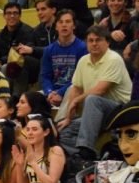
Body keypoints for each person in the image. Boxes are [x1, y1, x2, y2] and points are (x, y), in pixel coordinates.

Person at [56, 26, 132, 165]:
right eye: (90, 40)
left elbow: (100, 90)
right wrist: (68, 117)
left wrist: (76, 101)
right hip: (94, 114)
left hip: (120, 111)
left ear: (107, 42)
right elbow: (76, 89)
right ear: (86, 43)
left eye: (98, 40)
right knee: (63, 132)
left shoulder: (114, 58)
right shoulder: (83, 60)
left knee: (93, 99)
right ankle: (93, 160)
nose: (94, 43)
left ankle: (86, 150)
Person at [40, 9, 88, 109]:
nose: (64, 25)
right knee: (31, 99)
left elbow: (79, 79)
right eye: (60, 22)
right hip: (53, 92)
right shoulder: (49, 50)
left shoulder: (82, 48)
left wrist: (61, 93)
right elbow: (45, 76)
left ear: (74, 26)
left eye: (68, 21)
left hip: (74, 90)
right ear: (56, 26)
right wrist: (49, 92)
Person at [0, 3, 35, 96]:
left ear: (20, 15)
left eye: (15, 13)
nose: (12, 16)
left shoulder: (27, 31)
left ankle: (9, 99)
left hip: (23, 66)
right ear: (4, 16)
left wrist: (0, 62)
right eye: (9, 13)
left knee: (8, 67)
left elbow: (20, 54)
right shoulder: (0, 35)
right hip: (1, 65)